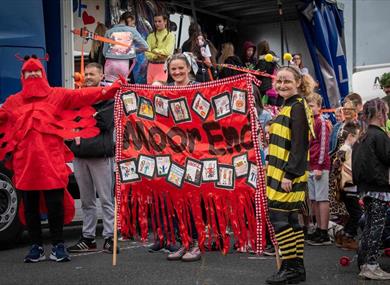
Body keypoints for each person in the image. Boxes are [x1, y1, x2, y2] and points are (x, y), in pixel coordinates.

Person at [0, 55, 121, 263]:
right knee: (29, 208)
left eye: (36, 73)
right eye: (28, 74)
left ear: (43, 75)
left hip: (52, 164)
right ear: (22, 76)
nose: (33, 77)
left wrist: (109, 90)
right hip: (25, 165)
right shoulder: (13, 101)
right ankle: (36, 246)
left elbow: (84, 96)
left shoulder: (57, 95)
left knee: (55, 205)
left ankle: (58, 245)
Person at [265, 66, 314, 284]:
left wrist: (290, 174)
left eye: (287, 81)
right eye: (279, 81)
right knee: (292, 221)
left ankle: (291, 267)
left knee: (279, 219)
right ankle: (294, 267)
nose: (282, 85)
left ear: (297, 82)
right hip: (279, 172)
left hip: (287, 175)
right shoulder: (287, 106)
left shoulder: (298, 106)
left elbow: (300, 144)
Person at [67, 63, 117, 254]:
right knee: (87, 201)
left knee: (106, 199)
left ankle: (109, 237)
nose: (87, 77)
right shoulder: (77, 97)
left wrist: (83, 116)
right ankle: (88, 238)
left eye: (92, 74)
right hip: (80, 156)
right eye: (85, 74)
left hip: (99, 155)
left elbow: (104, 122)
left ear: (101, 75)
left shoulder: (109, 97)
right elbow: (67, 120)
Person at [159, 53, 201, 262]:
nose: (176, 72)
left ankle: (195, 243)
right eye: (173, 69)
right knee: (176, 199)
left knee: (192, 200)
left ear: (189, 68)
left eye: (180, 68)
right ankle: (184, 242)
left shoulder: (199, 88)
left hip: (195, 155)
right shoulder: (165, 90)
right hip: (172, 155)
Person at [352, 98, 390, 280]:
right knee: (376, 227)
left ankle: (364, 261)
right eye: (386, 113)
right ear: (380, 114)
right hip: (379, 188)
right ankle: (371, 265)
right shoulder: (379, 135)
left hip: (365, 188)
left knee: (369, 226)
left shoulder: (362, 136)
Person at [306, 92, 332, 246]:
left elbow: (323, 146)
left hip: (319, 166)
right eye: (307, 106)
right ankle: (318, 228)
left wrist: (320, 166)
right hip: (310, 164)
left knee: (322, 199)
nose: (309, 109)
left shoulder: (321, 122)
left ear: (319, 107)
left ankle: (324, 231)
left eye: (312, 106)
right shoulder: (310, 121)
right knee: (314, 199)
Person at [332, 121, 362, 251]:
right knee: (357, 214)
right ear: (350, 136)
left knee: (353, 213)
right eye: (357, 137)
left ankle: (343, 234)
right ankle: (348, 236)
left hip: (345, 186)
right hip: (349, 186)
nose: (357, 140)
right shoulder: (347, 149)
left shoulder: (344, 149)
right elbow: (342, 165)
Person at [103, 11, 148, 82]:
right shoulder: (132, 31)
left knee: (109, 87)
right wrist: (132, 50)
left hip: (110, 64)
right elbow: (145, 46)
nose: (133, 26)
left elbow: (104, 52)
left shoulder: (109, 32)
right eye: (132, 23)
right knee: (123, 88)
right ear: (128, 19)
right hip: (124, 64)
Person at [145, 13, 175, 84]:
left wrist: (154, 51)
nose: (157, 24)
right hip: (150, 67)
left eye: (159, 21)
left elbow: (167, 52)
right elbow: (147, 53)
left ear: (165, 21)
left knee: (158, 89)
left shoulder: (170, 36)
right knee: (149, 91)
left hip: (162, 66)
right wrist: (157, 55)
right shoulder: (150, 36)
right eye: (155, 21)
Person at [255, 40, 279, 105]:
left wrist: (255, 70)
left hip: (263, 83)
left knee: (258, 102)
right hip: (271, 82)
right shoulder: (272, 56)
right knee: (272, 102)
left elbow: (260, 71)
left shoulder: (262, 58)